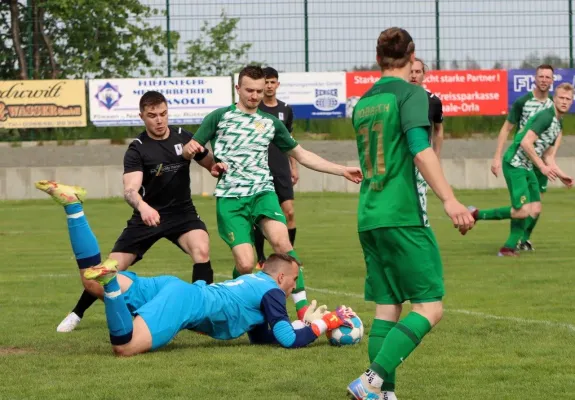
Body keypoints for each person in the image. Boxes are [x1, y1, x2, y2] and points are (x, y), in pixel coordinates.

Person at [35, 179, 354, 356]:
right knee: (125, 347)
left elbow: (261, 338)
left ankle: (74, 206)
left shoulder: (255, 284)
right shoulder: (271, 291)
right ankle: (111, 286)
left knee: (89, 283)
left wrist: (301, 327)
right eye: (294, 282)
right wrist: (323, 323)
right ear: (281, 277)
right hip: (185, 301)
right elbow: (286, 340)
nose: (293, 288)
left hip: (178, 289)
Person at [346, 27, 474, 400]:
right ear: (412, 55)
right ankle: (371, 381)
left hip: (369, 214)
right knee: (430, 307)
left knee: (388, 307)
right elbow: (421, 149)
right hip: (401, 214)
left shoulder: (364, 101)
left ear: (377, 57)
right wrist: (450, 200)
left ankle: (384, 394)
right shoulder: (412, 94)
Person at [184, 65, 363, 321]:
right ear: (238, 89)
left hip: (263, 193)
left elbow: (302, 154)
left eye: (258, 91)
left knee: (283, 244)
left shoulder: (270, 123)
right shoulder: (219, 117)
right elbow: (192, 151)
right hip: (231, 199)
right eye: (249, 90)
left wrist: (341, 170)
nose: (255, 95)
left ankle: (303, 311)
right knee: (246, 264)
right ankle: (240, 305)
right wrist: (195, 153)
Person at [55, 91, 223, 333]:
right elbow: (130, 190)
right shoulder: (137, 149)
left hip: (181, 214)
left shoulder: (183, 136)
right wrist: (143, 207)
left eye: (163, 114)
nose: (159, 120)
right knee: (109, 269)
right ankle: (77, 312)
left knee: (202, 248)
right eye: (152, 115)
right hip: (145, 218)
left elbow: (210, 164)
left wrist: (216, 166)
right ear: (142, 116)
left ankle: (203, 312)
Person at [469, 83, 574, 256]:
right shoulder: (546, 117)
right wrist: (541, 167)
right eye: (561, 98)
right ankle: (477, 215)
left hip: (527, 167)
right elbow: (526, 142)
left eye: (568, 99)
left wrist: (562, 176)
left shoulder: (558, 123)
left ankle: (511, 246)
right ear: (554, 99)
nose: (564, 101)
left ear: (571, 102)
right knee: (522, 210)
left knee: (534, 208)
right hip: (515, 164)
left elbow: (548, 156)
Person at [490, 64, 555, 251]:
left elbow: (555, 135)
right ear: (535, 78)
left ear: (552, 80)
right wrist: (496, 157)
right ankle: (513, 240)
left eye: (547, 77)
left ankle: (524, 239)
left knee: (536, 208)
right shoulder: (523, 102)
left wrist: (551, 161)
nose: (544, 80)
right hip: (522, 160)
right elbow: (506, 128)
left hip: (540, 162)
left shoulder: (552, 105)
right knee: (521, 206)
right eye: (541, 76)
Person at [253, 66, 298, 268]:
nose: (269, 86)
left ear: (277, 84)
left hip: (281, 167)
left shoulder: (285, 109)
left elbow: (290, 141)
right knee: (260, 215)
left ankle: (288, 257)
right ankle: (261, 258)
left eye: (273, 82)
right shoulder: (255, 109)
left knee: (289, 212)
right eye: (266, 82)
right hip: (260, 166)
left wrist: (293, 167)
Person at [409, 57, 444, 158]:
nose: (414, 76)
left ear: (424, 75)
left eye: (418, 72)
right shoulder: (396, 100)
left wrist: (435, 157)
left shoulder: (433, 101)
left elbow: (438, 129)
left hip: (423, 161)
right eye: (410, 72)